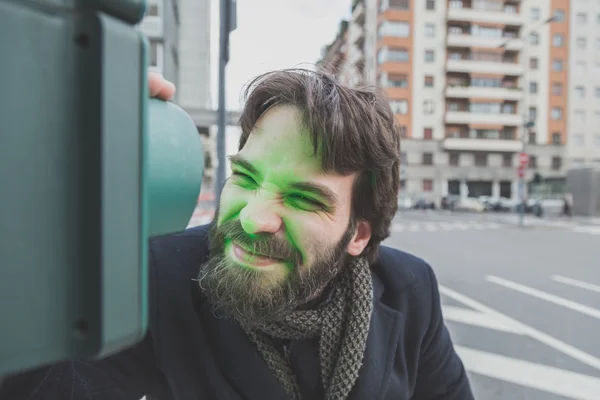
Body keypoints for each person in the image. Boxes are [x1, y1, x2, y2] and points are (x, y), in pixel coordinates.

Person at [0, 70, 473, 400]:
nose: (252, 218)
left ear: (358, 234)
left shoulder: (411, 292)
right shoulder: (163, 276)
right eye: (245, 178)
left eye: (304, 199)